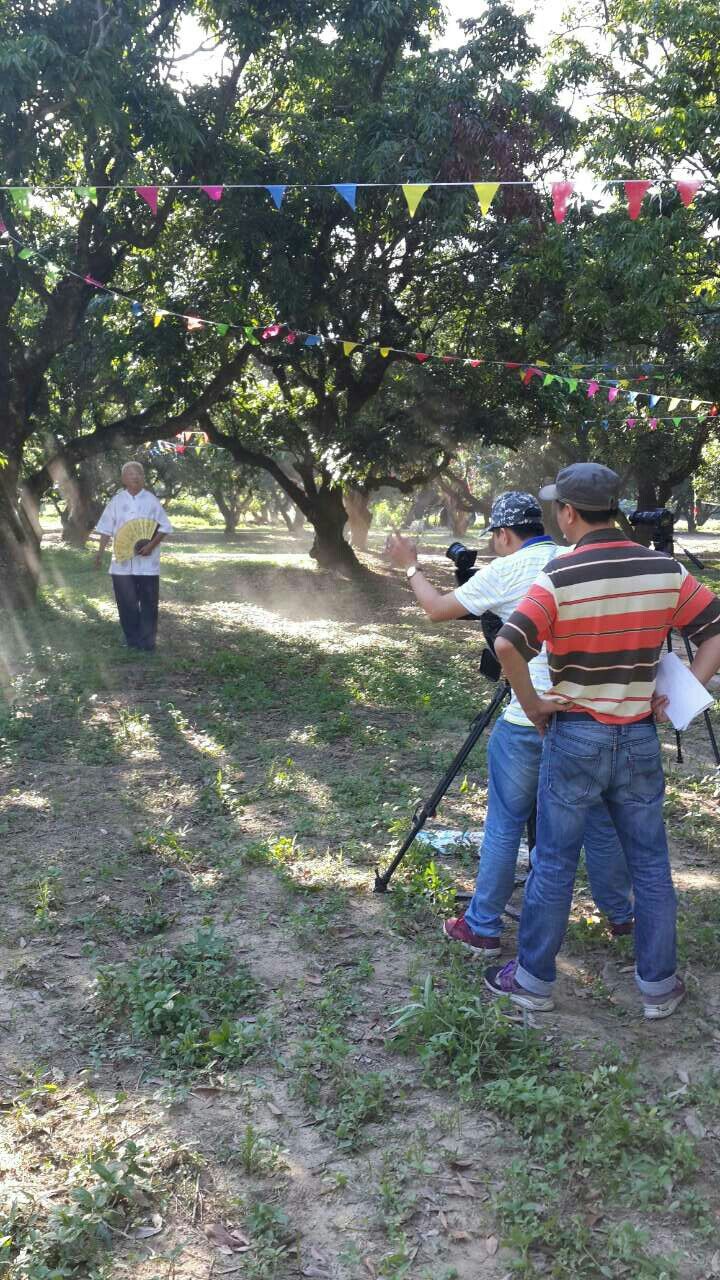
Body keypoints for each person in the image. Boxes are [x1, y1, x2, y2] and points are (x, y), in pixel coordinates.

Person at [487, 462, 720, 1020]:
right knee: (650, 865)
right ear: (613, 508)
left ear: (568, 513)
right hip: (638, 736)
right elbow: (715, 633)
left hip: (575, 737)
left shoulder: (560, 574)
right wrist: (681, 692)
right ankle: (658, 987)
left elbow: (507, 645)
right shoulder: (664, 569)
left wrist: (533, 704)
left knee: (554, 864)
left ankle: (533, 981)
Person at [385, 491, 633, 956]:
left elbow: (436, 609)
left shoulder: (507, 570)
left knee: (504, 824)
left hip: (526, 717)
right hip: (585, 715)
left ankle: (482, 925)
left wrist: (411, 565)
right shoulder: (574, 558)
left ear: (503, 534)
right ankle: (622, 915)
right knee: (599, 819)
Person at [93, 461, 173, 651]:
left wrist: (151, 546)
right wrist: (99, 553)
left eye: (139, 473)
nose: (135, 476)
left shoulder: (151, 500)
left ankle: (148, 643)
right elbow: (105, 529)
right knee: (126, 603)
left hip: (148, 563)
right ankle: (132, 640)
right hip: (121, 563)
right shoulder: (116, 501)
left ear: (144, 478)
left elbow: (165, 527)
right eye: (130, 473)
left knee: (149, 603)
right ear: (123, 479)